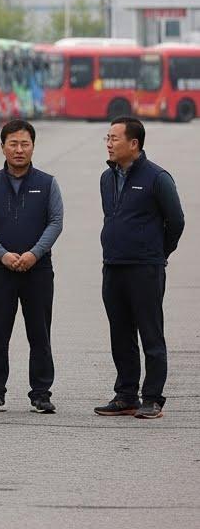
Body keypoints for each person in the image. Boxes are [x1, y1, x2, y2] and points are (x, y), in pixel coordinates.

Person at [94, 116, 184, 419]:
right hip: (113, 266)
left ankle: (153, 397)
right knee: (120, 334)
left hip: (145, 268)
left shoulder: (157, 178)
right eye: (107, 138)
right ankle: (126, 394)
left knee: (150, 332)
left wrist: (158, 252)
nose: (108, 143)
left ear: (134, 144)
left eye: (114, 138)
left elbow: (177, 221)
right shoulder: (107, 178)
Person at [0, 119, 63, 415]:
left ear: (33, 147)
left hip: (38, 269)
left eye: (25, 144)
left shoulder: (47, 183)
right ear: (2, 147)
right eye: (13, 143)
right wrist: (2, 254)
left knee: (40, 333)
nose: (19, 149)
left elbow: (55, 222)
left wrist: (35, 254)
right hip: (0, 270)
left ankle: (41, 393)